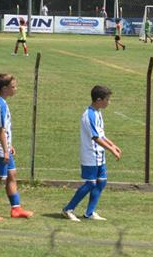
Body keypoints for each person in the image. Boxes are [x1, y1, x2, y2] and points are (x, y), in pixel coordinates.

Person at [62, 86, 122, 222]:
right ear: (99, 100)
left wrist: (113, 145)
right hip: (90, 155)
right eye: (107, 99)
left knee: (102, 182)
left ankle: (89, 213)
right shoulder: (89, 115)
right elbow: (95, 138)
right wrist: (111, 150)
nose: (109, 102)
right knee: (90, 183)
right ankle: (68, 209)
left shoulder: (98, 113)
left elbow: (101, 135)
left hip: (99, 154)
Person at [0, 73, 33, 220]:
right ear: (4, 88)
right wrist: (5, 151)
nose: (16, 89)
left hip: (4, 147)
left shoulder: (1, 102)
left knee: (12, 174)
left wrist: (9, 145)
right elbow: (0, 130)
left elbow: (4, 130)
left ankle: (16, 209)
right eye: (13, 87)